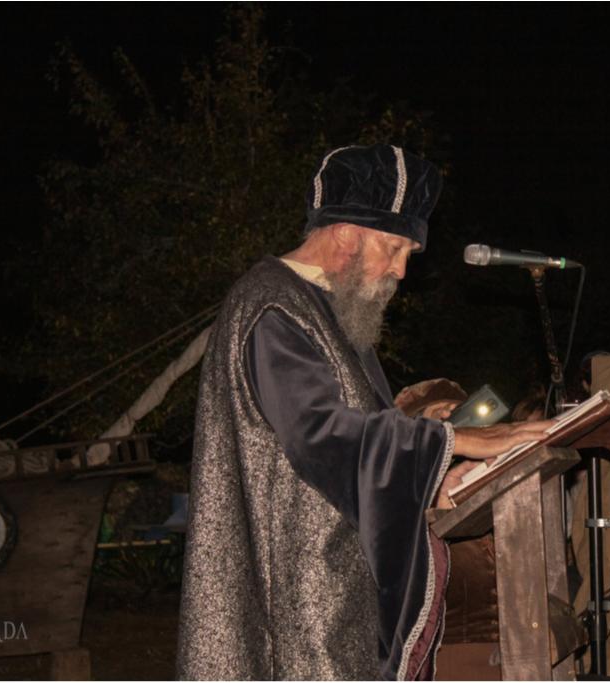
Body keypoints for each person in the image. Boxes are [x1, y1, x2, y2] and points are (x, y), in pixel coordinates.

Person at [176, 144, 551, 680]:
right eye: (394, 247)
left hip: (330, 601)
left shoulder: (331, 315)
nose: (401, 270)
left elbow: (364, 450)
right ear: (346, 233)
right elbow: (324, 436)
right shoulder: (274, 307)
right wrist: (457, 439)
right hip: (294, 611)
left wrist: (434, 481)